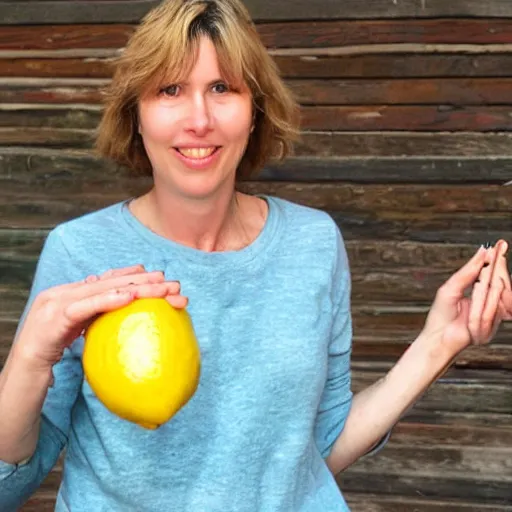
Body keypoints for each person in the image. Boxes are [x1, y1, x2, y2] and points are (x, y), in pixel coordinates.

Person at [0, 0, 511, 510]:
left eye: (222, 88)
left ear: (255, 111)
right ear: (135, 114)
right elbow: (11, 481)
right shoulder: (80, 250)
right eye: (170, 90)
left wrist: (438, 344)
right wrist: (28, 358)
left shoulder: (313, 243)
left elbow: (313, 452)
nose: (198, 119)